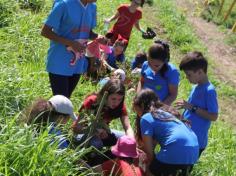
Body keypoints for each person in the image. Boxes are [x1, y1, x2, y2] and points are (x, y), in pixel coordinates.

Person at [41, 0, 101, 98]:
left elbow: (88, 32)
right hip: (60, 62)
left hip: (78, 63)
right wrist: (70, 43)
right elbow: (45, 31)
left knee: (66, 99)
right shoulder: (63, 4)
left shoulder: (92, 7)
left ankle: (52, 113)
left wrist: (98, 37)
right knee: (61, 101)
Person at [133, 89, 199, 176]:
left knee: (147, 170)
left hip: (176, 148)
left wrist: (143, 164)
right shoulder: (167, 113)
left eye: (134, 107)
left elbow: (149, 154)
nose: (134, 110)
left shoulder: (146, 118)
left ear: (141, 105)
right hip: (193, 152)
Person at [176, 51, 218, 157]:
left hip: (196, 141)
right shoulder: (196, 87)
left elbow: (214, 116)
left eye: (189, 74)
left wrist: (191, 107)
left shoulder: (209, 91)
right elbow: (191, 109)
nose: (187, 77)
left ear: (199, 72)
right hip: (187, 135)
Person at [137, 40, 180, 105]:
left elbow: (173, 95)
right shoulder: (145, 65)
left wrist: (159, 108)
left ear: (164, 61)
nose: (151, 67)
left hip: (160, 109)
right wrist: (138, 98)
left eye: (156, 66)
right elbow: (141, 81)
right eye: (149, 63)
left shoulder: (172, 72)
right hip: (143, 106)